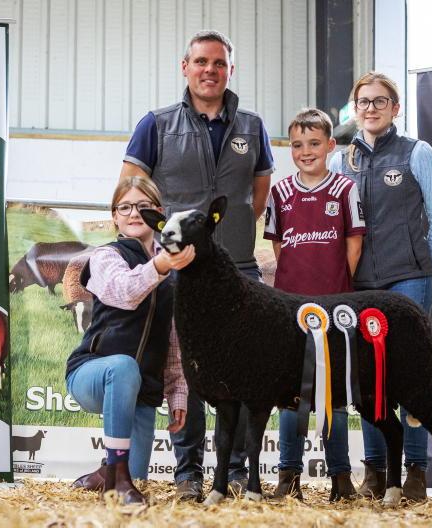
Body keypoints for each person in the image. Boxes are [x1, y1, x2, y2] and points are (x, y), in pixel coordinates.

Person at [120, 29, 275, 502]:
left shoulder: (252, 126)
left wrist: (225, 238)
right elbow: (132, 189)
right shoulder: (156, 124)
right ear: (185, 67)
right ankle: (188, 473)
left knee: (244, 372)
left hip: (238, 271)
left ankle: (237, 474)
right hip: (179, 273)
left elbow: (258, 194)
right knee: (187, 372)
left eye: (219, 63)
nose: (210, 70)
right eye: (201, 62)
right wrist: (167, 249)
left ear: (231, 70)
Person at [328, 71, 432, 501]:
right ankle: (376, 472)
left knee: (410, 376)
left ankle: (416, 472)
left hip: (409, 283)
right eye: (363, 101)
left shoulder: (418, 153)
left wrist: (421, 271)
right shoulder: (340, 162)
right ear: (355, 108)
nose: (371, 108)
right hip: (361, 289)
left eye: (380, 101)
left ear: (395, 108)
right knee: (369, 381)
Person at [66, 176, 193, 504]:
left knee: (136, 477)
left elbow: (174, 341)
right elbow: (125, 292)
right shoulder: (106, 256)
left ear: (158, 213)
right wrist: (161, 264)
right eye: (124, 207)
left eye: (143, 206)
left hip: (143, 391)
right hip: (93, 374)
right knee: (123, 367)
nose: (134, 213)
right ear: (115, 216)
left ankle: (109, 472)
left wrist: (177, 394)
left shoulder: (172, 272)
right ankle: (116, 478)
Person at [264, 108, 366, 502]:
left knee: (333, 397)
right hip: (290, 311)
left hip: (333, 311)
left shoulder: (344, 189)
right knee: (291, 396)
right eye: (297, 145)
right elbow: (279, 246)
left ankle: (341, 479)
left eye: (314, 143)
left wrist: (335, 290)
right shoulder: (280, 192)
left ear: (330, 145)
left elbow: (353, 245)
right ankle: (288, 478)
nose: (305, 152)